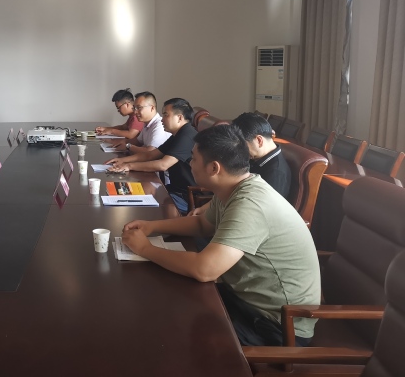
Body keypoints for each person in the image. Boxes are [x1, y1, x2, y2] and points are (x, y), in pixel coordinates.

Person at [121, 125, 320, 347]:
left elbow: (205, 270)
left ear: (214, 168)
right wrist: (152, 227)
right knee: (167, 302)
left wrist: (145, 249)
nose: (189, 163)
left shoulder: (250, 203)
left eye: (194, 158)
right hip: (243, 300)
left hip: (277, 325)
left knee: (170, 330)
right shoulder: (235, 187)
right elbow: (202, 224)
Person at [108, 98, 197, 214]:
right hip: (174, 189)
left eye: (166, 115)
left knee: (142, 207)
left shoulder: (186, 136)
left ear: (179, 118)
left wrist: (129, 166)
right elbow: (150, 155)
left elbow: (163, 165)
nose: (162, 119)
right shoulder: (177, 135)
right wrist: (123, 161)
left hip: (187, 196)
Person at [232, 112, 291, 198]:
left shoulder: (276, 173)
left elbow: (262, 204)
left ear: (259, 140)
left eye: (243, 146)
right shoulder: (258, 159)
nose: (241, 152)